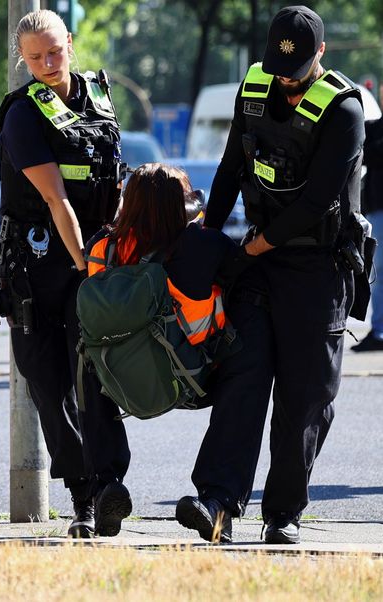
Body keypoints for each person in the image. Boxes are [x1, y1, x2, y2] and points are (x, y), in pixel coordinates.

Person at [177, 6, 366, 545]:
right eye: (279, 67)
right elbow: (231, 169)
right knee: (244, 378)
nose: (286, 78)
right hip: (259, 264)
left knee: (305, 398)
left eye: (298, 68)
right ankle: (216, 503)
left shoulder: (344, 109)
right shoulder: (254, 88)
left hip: (319, 265)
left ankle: (281, 513)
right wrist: (209, 240)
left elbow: (316, 201)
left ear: (320, 55)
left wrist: (254, 244)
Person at [0, 9, 128, 538]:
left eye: (54, 52)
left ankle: (108, 486)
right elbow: (56, 199)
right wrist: (86, 265)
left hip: (92, 259)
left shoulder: (100, 97)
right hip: (40, 265)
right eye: (35, 57)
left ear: (69, 43)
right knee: (50, 387)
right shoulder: (23, 114)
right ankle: (81, 496)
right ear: (22, 59)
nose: (48, 64)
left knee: (97, 374)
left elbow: (112, 183)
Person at [82, 164, 237, 533]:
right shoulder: (205, 245)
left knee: (86, 363)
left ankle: (106, 483)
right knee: (249, 365)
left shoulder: (101, 247)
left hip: (119, 380)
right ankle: (215, 499)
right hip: (196, 380)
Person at [351, 117, 383, 351]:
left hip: (379, 209)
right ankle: (379, 329)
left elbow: (370, 153)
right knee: (378, 273)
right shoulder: (376, 126)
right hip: (377, 208)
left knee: (380, 273)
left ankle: (380, 331)